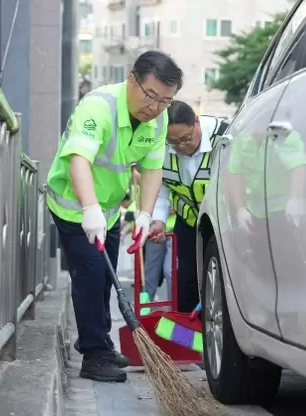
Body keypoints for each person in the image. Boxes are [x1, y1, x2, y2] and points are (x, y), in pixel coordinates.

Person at [46, 51, 183, 382]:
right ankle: (94, 356)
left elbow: (151, 169)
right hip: (73, 206)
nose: (155, 107)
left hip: (107, 211)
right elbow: (79, 159)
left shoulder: (158, 119)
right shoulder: (99, 106)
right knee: (90, 276)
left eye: (165, 101)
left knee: (106, 279)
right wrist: (89, 209)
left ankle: (101, 344)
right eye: (150, 96)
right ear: (132, 80)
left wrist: (145, 214)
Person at [148, 100, 229, 313]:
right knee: (186, 281)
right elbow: (161, 188)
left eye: (186, 138)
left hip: (223, 224)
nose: (181, 146)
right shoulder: (162, 147)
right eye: (174, 143)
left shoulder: (224, 138)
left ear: (196, 122)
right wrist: (158, 220)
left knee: (223, 282)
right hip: (189, 221)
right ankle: (188, 339)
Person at [143, 205, 176, 303]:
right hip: (153, 230)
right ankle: (146, 307)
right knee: (150, 272)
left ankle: (174, 309)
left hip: (174, 230)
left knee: (171, 271)